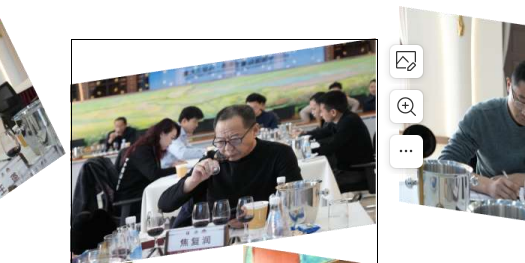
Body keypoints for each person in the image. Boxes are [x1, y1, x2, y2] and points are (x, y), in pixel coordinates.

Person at [437, 59, 525, 200]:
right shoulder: (480, 116)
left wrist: (519, 179)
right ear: (509, 85)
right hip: (489, 198)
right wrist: (488, 186)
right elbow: (444, 166)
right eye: (521, 102)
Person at [158, 105, 301, 225]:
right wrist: (192, 181)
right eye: (220, 141)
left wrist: (256, 216)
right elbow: (164, 205)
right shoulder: (211, 161)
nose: (227, 148)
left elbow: (295, 200)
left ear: (255, 130)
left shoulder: (279, 154)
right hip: (217, 233)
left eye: (235, 140)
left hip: (262, 227)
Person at [114, 118, 180, 220]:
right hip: (131, 200)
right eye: (171, 138)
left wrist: (174, 168)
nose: (171, 143)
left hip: (137, 194)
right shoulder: (142, 149)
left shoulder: (148, 147)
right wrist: (177, 169)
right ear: (162, 134)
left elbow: (154, 172)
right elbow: (154, 174)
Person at [306, 90, 374, 171]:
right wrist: (304, 135)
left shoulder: (349, 121)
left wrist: (308, 149)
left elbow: (332, 145)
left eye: (322, 111)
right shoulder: (339, 119)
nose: (321, 114)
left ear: (333, 112)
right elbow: (322, 133)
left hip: (358, 168)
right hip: (347, 165)